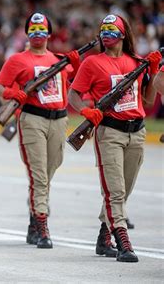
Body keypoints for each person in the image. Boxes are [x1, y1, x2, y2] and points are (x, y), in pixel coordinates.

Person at [68, 14, 161, 263]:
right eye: (103, 29)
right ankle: (122, 240)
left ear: (123, 34)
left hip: (137, 132)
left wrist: (152, 71)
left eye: (112, 29)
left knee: (124, 189)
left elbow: (149, 100)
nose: (106, 33)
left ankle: (103, 234)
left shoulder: (136, 62)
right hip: (109, 132)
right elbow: (74, 94)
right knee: (115, 191)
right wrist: (85, 111)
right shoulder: (92, 63)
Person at [0, 12, 80, 249]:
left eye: (42, 30)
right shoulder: (17, 60)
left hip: (59, 120)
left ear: (49, 34)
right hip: (33, 119)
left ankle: (34, 216)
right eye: (33, 30)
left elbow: (74, 84)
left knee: (50, 170)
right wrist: (14, 94)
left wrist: (76, 64)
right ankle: (42, 224)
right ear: (27, 34)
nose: (38, 34)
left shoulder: (59, 60)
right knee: (39, 175)